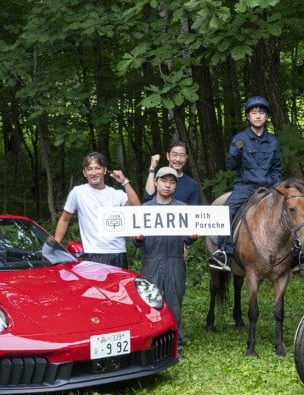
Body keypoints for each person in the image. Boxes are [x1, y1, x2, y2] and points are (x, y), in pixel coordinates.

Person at [210, 95, 282, 271]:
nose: (258, 115)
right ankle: (224, 253)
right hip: (244, 187)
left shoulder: (273, 141)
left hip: (268, 187)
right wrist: (236, 151)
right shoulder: (239, 138)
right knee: (227, 211)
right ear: (248, 116)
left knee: (289, 209)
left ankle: (295, 255)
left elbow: (277, 168)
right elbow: (230, 165)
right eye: (254, 112)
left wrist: (273, 184)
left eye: (261, 112)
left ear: (266, 117)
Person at [136, 167, 196, 348]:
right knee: (148, 304)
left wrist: (191, 238)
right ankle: (150, 343)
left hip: (175, 260)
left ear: (175, 186)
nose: (167, 185)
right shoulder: (144, 209)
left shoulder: (183, 209)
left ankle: (176, 345)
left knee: (174, 305)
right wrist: (138, 238)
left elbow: (187, 238)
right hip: (151, 260)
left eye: (172, 182)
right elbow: (135, 241)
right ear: (155, 182)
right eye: (163, 181)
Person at [51, 151, 140, 268]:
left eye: (97, 168)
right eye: (89, 169)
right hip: (93, 253)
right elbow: (64, 219)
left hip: (118, 253)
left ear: (104, 170)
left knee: (120, 287)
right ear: (84, 172)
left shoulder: (117, 194)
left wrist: (124, 182)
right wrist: (55, 245)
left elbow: (136, 208)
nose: (94, 173)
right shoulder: (78, 192)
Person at [142, 140, 200, 206]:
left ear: (186, 158)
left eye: (182, 155)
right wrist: (152, 168)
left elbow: (193, 210)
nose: (178, 159)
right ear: (168, 156)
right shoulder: (158, 177)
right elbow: (148, 198)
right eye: (174, 155)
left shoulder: (192, 184)